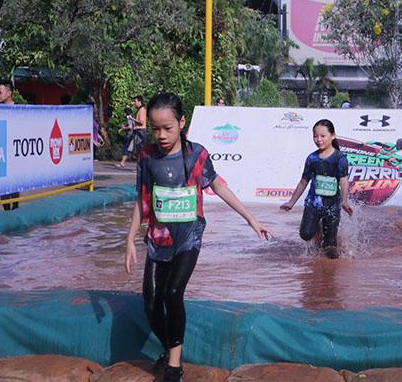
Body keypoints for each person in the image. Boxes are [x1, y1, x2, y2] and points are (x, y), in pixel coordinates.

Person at [125, 92, 273, 382]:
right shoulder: (146, 157)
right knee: (151, 303)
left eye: (168, 128)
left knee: (173, 293)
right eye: (155, 129)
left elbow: (218, 186)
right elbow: (141, 201)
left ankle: (174, 366)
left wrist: (251, 219)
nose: (161, 135)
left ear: (182, 122)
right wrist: (130, 238)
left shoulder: (196, 155)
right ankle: (170, 347)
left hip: (188, 237)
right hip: (158, 238)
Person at [281, 119, 353, 259]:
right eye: (315, 136)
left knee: (331, 250)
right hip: (313, 204)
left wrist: (344, 201)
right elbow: (303, 181)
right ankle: (318, 230)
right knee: (305, 234)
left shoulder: (340, 159)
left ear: (332, 136)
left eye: (322, 136)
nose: (318, 140)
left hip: (332, 206)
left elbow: (344, 181)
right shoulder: (312, 158)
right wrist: (291, 202)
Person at [0, 81, 19, 211]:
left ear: (9, 93)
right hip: (2, 151)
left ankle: (15, 207)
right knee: (2, 182)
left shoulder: (19, 109)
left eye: (0, 92)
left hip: (15, 151)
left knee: (15, 181)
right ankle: (6, 209)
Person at [117, 96, 147, 168]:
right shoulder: (139, 110)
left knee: (140, 149)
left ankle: (143, 166)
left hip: (140, 131)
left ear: (140, 101)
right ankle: (140, 166)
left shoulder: (142, 110)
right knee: (137, 150)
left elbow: (142, 122)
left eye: (135, 101)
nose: (134, 103)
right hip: (138, 131)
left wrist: (132, 118)